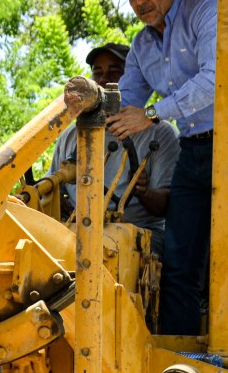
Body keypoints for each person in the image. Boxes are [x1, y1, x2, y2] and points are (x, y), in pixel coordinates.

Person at [105, 0, 228, 336]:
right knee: (178, 260)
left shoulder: (206, 14)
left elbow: (215, 80)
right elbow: (127, 100)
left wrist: (152, 114)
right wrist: (93, 110)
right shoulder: (141, 46)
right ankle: (182, 352)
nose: (140, 1)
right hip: (194, 150)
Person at [49, 42, 179, 256]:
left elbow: (167, 207)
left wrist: (144, 192)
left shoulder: (160, 134)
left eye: (115, 72)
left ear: (135, 78)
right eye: (98, 73)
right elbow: (51, 189)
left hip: (138, 237)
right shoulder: (71, 136)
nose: (104, 80)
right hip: (76, 232)